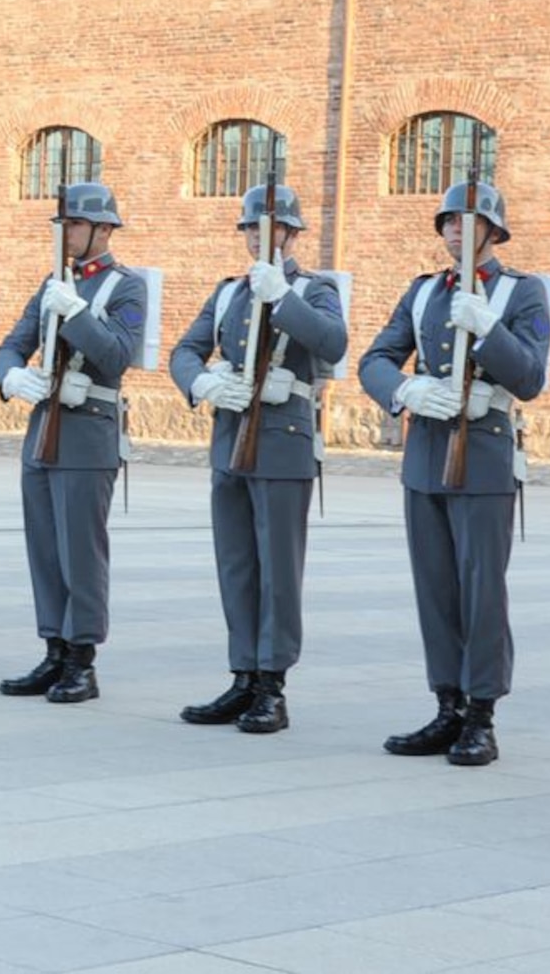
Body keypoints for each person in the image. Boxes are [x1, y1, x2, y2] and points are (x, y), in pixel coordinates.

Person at [358, 180, 550, 766]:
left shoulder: (522, 291)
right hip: (426, 459)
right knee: (436, 590)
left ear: (493, 230)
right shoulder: (423, 293)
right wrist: (406, 388)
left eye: (467, 222)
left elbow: (531, 379)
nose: (454, 231)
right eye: (447, 221)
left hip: (485, 457)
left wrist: (490, 331)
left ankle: (482, 715)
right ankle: (447, 706)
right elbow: (376, 360)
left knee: (481, 590)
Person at [169, 183, 346, 732]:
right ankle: (243, 674)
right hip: (230, 442)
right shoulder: (229, 293)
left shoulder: (314, 289)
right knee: (237, 567)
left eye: (267, 229)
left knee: (278, 569)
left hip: (282, 444)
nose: (256, 237)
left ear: (291, 235)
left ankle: (273, 683)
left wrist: (284, 300)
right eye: (249, 228)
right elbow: (185, 350)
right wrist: (201, 382)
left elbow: (332, 343)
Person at [0, 182, 147, 704]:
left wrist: (77, 314)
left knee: (80, 549)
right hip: (43, 431)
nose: (66, 235)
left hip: (87, 434)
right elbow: (12, 345)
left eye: (74, 226)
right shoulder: (51, 283)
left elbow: (116, 356)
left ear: (103, 230)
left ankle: (82, 657)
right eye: (62, 227)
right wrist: (12, 376)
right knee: (44, 547)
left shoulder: (126, 288)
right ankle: (53, 648)